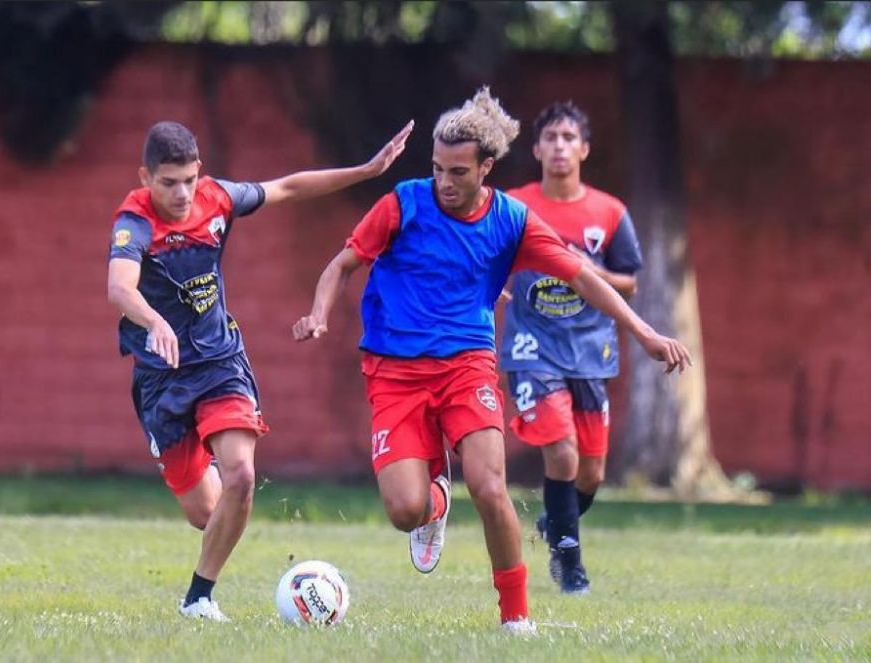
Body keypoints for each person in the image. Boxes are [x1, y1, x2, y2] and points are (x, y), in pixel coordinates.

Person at [292, 88, 690, 633]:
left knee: (490, 487)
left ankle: (516, 617)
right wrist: (319, 314)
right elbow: (341, 265)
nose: (444, 182)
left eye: (458, 171)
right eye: (437, 168)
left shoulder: (513, 221)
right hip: (394, 371)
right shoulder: (403, 203)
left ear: (487, 168)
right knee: (403, 510)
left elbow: (585, 279)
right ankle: (434, 503)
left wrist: (645, 333)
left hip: (467, 367)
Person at [106, 119, 413, 623]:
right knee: (208, 515)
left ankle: (199, 598)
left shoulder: (217, 198)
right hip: (161, 379)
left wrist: (366, 170)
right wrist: (153, 318)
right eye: (168, 183)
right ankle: (203, 477)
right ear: (146, 178)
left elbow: (288, 187)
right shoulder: (134, 222)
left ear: (199, 171)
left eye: (188, 179)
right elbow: (120, 287)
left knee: (242, 477)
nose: (181, 194)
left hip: (220, 362)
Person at [501, 101, 642, 595]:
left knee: (591, 471)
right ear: (537, 148)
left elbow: (630, 283)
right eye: (551, 138)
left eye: (569, 137)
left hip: (589, 350)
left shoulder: (609, 212)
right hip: (531, 346)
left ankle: (554, 523)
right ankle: (570, 567)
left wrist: (588, 270)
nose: (560, 146)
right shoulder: (513, 205)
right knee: (560, 451)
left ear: (584, 148)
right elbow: (483, 254)